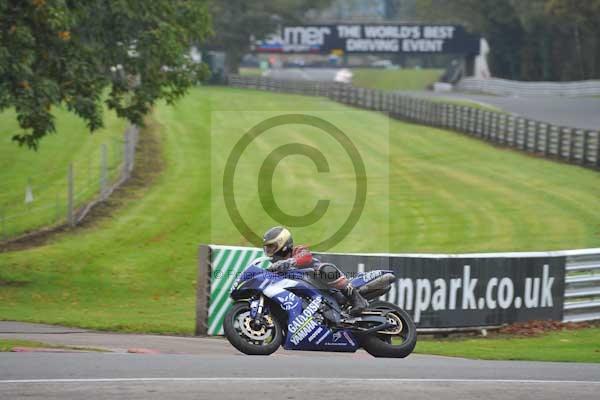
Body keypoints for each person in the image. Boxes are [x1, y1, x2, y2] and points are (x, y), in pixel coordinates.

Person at [262, 226, 369, 316]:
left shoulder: (298, 251)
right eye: (267, 248)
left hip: (329, 290)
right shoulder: (277, 267)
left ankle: (357, 300)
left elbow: (306, 256)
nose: (269, 251)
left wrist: (290, 262)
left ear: (283, 244)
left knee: (325, 269)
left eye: (271, 246)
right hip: (310, 300)